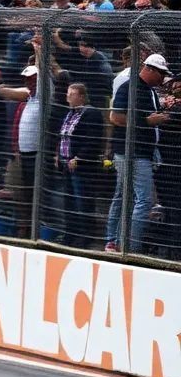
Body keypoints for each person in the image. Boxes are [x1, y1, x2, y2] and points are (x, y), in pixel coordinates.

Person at [107, 53, 171, 254]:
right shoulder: (129, 87)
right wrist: (147, 122)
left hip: (143, 152)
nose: (163, 78)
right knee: (143, 200)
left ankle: (115, 241)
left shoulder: (150, 91)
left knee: (123, 196)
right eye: (161, 73)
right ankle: (130, 246)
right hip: (132, 153)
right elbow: (115, 117)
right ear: (149, 69)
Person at [55, 83, 104, 249]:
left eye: (71, 94)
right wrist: (58, 154)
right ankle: (70, 233)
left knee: (82, 201)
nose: (67, 97)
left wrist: (79, 157)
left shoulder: (91, 114)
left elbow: (93, 140)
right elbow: (63, 135)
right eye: (68, 94)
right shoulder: (70, 113)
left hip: (81, 166)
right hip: (65, 161)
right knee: (69, 201)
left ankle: (85, 236)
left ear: (82, 96)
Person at [0, 66, 43, 238]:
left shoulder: (41, 98)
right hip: (18, 152)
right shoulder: (25, 101)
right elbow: (2, 91)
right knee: (20, 192)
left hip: (35, 153)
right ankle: (22, 227)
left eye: (32, 79)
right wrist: (15, 148)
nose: (28, 83)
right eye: (26, 80)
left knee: (34, 191)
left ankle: (34, 229)